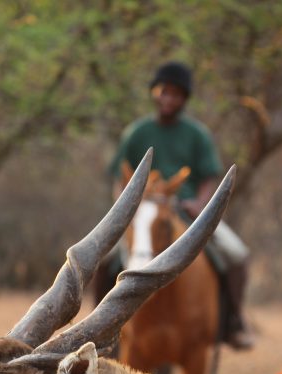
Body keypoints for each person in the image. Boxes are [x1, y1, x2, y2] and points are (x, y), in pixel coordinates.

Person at [105, 61, 254, 350]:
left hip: (187, 213)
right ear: (154, 93)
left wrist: (200, 203)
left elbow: (209, 175)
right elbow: (119, 178)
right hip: (142, 215)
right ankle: (102, 330)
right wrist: (122, 211)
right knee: (105, 263)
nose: (168, 99)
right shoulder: (136, 133)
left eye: (175, 94)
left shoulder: (197, 134)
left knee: (236, 255)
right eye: (164, 92)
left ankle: (233, 321)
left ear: (184, 99)